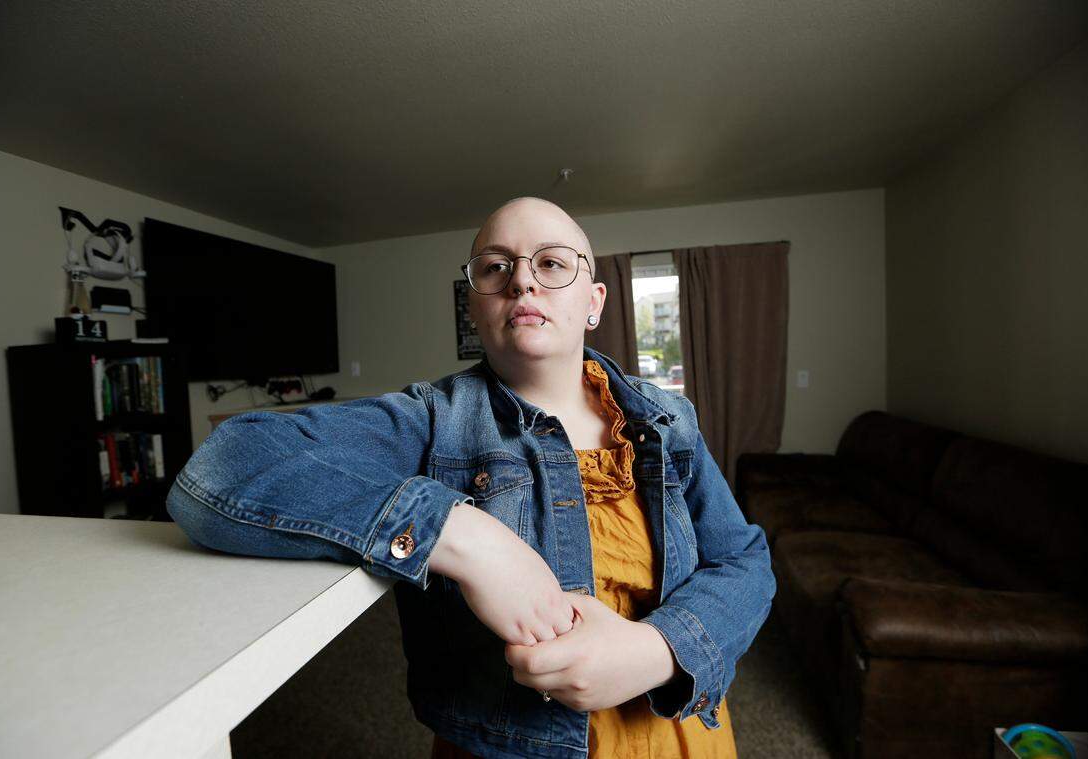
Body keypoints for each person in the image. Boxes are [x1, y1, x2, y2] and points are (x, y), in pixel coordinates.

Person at [166, 197, 775, 758]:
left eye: (553, 263)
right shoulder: (431, 420)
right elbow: (220, 468)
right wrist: (463, 538)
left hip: (679, 729)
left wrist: (658, 650)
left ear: (593, 303)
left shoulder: (668, 420)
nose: (523, 279)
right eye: (495, 267)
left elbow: (744, 559)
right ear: (475, 304)